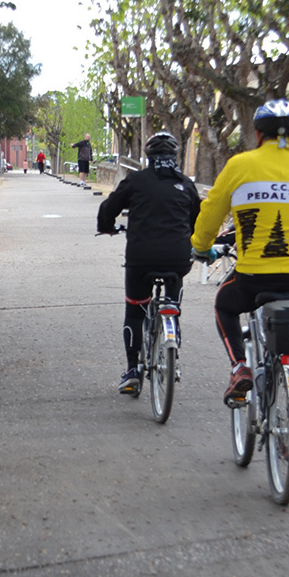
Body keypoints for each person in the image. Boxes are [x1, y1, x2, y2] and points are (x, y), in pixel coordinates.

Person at [190, 99, 289, 408]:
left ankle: (239, 367)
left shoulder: (240, 166)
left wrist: (202, 247)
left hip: (253, 276)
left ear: (258, 135)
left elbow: (210, 214)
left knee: (224, 304)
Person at [97, 132, 202, 394]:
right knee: (173, 301)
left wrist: (107, 227)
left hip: (140, 259)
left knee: (135, 311)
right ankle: (172, 338)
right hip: (178, 259)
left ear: (149, 156)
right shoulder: (186, 184)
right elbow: (198, 222)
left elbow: (108, 208)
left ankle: (133, 369)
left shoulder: (135, 180)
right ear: (174, 156)